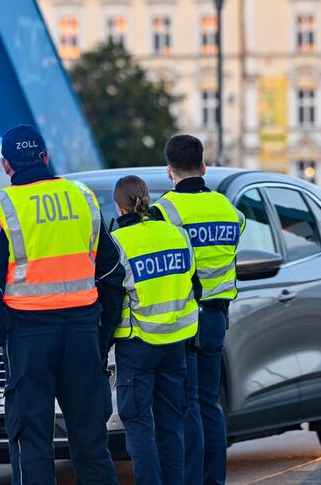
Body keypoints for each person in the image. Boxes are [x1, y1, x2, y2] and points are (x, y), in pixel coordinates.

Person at [0, 125, 124, 485]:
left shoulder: (0, 208)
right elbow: (113, 273)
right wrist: (101, 338)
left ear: (6, 165)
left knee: (32, 441)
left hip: (28, 339)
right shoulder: (81, 197)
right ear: (46, 157)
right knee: (91, 442)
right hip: (82, 333)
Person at [150, 135, 245, 485]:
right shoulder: (228, 209)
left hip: (183, 319)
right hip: (217, 317)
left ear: (169, 170)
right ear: (203, 167)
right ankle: (213, 481)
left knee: (186, 404)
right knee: (209, 402)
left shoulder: (163, 211)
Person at [107, 175, 202, 485]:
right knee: (171, 426)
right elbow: (194, 288)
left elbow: (110, 301)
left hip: (137, 346)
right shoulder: (177, 235)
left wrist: (100, 344)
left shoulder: (118, 243)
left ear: (119, 207)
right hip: (176, 344)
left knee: (138, 426)